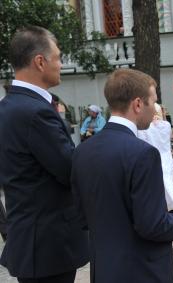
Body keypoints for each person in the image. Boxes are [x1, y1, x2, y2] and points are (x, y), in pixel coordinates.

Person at [71, 69, 173, 283]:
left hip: (105, 270)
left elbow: (81, 217)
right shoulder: (143, 153)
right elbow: (152, 225)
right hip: (142, 271)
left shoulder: (82, 151)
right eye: (153, 102)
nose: (155, 108)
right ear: (137, 104)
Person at [0, 26, 88, 283]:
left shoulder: (8, 107)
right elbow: (68, 168)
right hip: (47, 244)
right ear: (40, 61)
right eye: (58, 57)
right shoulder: (35, 112)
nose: (61, 64)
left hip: (30, 237)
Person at [138, 103, 173, 210]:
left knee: (159, 186)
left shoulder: (145, 128)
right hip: (166, 158)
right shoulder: (166, 125)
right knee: (169, 183)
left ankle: (168, 206)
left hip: (154, 158)